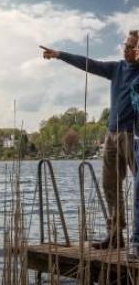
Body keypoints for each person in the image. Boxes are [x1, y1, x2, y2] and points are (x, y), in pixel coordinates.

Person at [41, 30, 139, 249]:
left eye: (131, 46)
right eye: (125, 44)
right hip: (112, 136)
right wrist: (59, 54)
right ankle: (115, 234)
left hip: (134, 135)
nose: (126, 49)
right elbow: (89, 63)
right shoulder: (117, 68)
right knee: (109, 185)